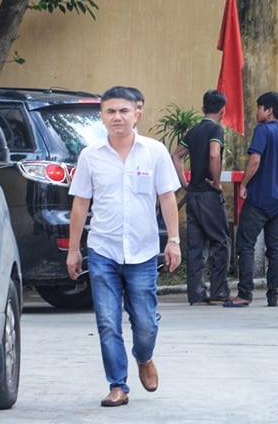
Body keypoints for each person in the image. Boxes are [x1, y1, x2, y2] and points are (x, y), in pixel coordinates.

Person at [66, 86, 182, 408]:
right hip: (103, 250)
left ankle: (144, 357)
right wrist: (74, 249)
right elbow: (80, 204)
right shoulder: (90, 156)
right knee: (107, 321)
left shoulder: (154, 152)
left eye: (123, 111)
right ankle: (118, 385)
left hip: (143, 252)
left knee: (145, 322)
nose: (117, 117)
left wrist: (173, 240)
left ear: (137, 114)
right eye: (110, 112)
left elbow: (167, 197)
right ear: (102, 116)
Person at [225, 92, 278, 308]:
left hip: (259, 200)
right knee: (275, 249)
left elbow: (254, 160)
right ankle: (274, 296)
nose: (256, 112)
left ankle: (244, 293)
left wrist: (244, 184)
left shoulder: (262, 130)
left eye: (259, 108)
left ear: (269, 111)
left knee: (245, 245)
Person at [172, 90, 231, 305]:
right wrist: (216, 181)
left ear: (203, 108)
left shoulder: (194, 131)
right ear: (222, 111)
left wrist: (183, 182)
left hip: (193, 194)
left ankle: (195, 293)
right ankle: (218, 291)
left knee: (196, 246)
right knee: (221, 242)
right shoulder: (216, 129)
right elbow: (214, 153)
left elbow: (176, 155)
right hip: (208, 194)